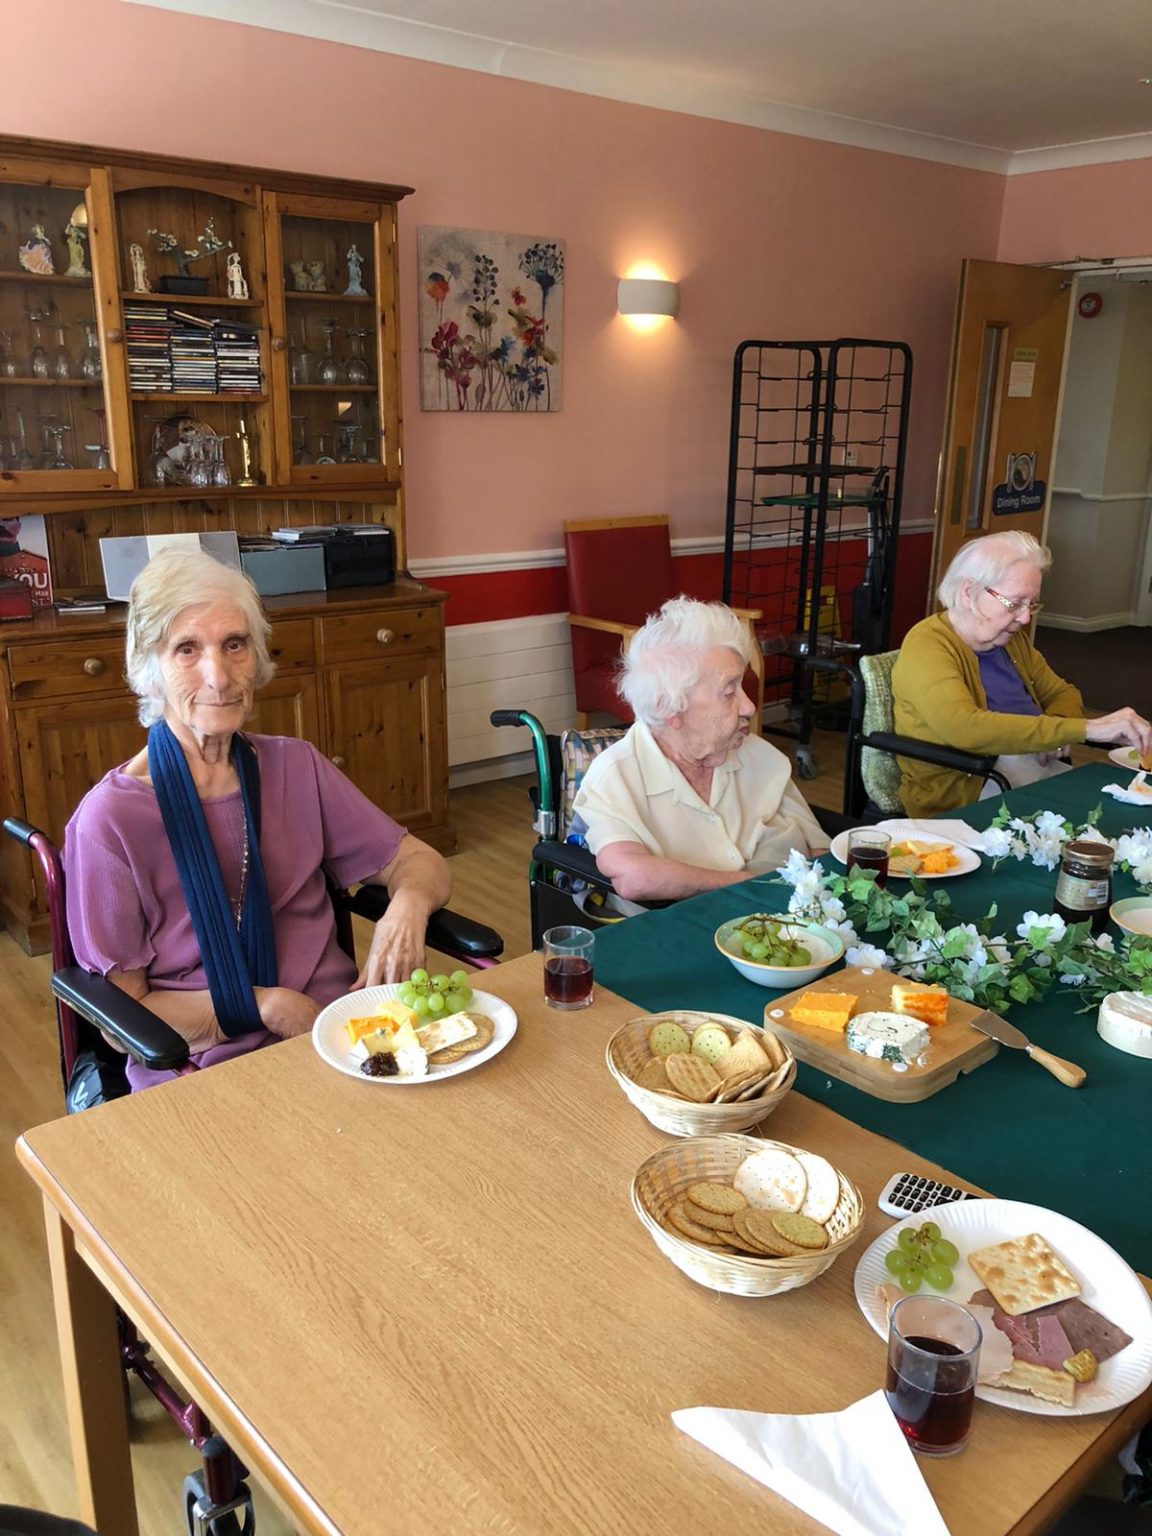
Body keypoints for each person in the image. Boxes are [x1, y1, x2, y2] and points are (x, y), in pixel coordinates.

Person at [63, 548, 450, 1090]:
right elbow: (120, 1021)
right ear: (150, 669)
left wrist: (406, 909)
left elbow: (420, 861)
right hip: (199, 1069)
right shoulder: (109, 820)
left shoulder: (296, 767)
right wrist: (261, 1006)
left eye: (234, 644)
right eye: (187, 649)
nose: (218, 677)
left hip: (343, 1040)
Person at [571, 597, 830, 901]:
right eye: (729, 692)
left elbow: (819, 850)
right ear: (671, 709)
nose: (749, 707)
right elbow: (634, 877)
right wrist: (751, 886)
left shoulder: (759, 754)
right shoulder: (616, 777)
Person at [892, 531, 1152, 816]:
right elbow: (964, 728)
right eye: (1014, 604)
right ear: (968, 592)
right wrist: (1085, 729)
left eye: (1031, 604)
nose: (1026, 617)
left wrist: (1053, 731)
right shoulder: (928, 645)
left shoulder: (1010, 640)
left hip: (1027, 769)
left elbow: (1062, 693)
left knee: (1123, 810)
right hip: (969, 785)